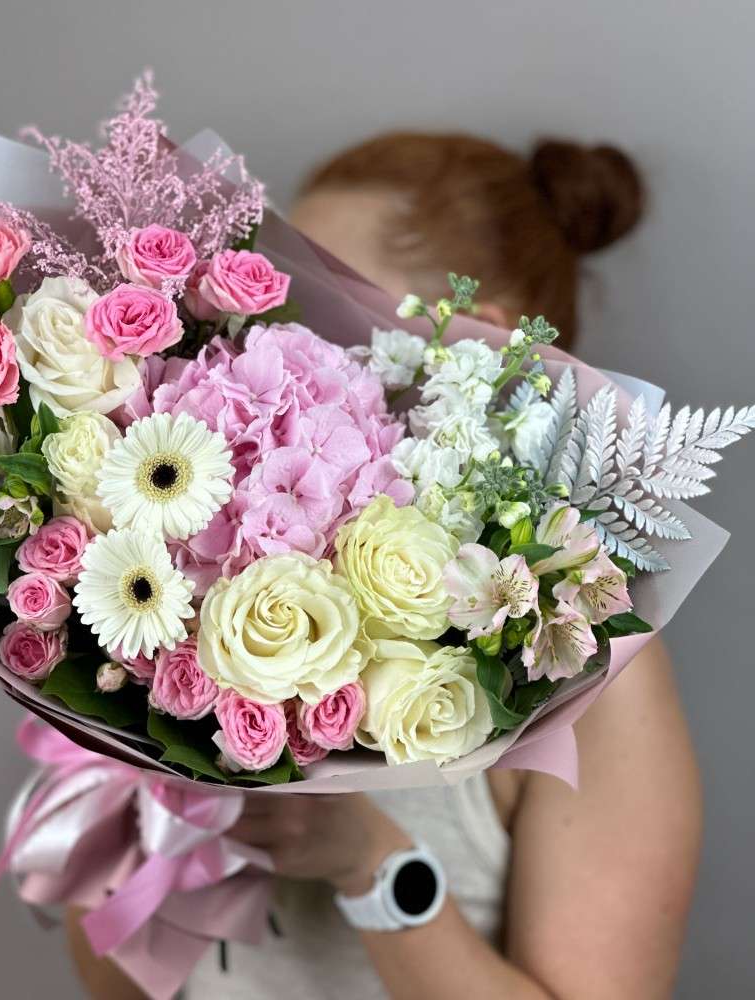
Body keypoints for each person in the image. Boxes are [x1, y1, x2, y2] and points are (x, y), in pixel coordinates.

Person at [66, 133, 701, 1000]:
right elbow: (115, 983)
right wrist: (129, 800)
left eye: (336, 299)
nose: (293, 337)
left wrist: (370, 863)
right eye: (286, 297)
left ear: (491, 332)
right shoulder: (206, 606)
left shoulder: (589, 663)